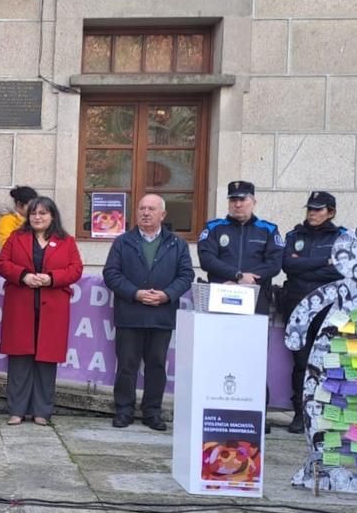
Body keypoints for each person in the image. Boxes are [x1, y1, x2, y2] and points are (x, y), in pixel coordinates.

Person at [102, 194, 194, 431]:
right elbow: (111, 273)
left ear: (162, 215)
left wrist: (167, 295)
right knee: (126, 365)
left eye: (151, 209)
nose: (145, 213)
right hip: (130, 313)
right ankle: (124, 410)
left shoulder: (177, 243)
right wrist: (135, 293)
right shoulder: (123, 242)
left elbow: (186, 275)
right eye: (142, 208)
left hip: (161, 314)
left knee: (156, 365)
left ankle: (152, 412)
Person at [0, 196, 83, 425]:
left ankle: (42, 412)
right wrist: (23, 275)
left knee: (46, 361)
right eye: (34, 213)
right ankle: (16, 410)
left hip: (52, 310)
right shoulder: (17, 238)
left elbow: (76, 270)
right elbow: (2, 263)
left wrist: (51, 278)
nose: (37, 217)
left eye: (43, 213)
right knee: (19, 360)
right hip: (20, 307)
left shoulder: (67, 241)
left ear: (52, 216)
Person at [280, 191, 344, 434]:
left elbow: (339, 271)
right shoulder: (294, 235)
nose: (312, 213)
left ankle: (326, 414)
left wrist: (306, 265)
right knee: (301, 362)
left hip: (328, 308)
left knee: (328, 361)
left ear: (331, 212)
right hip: (297, 305)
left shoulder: (342, 238)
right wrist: (323, 261)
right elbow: (289, 266)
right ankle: (300, 412)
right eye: (310, 209)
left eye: (318, 209)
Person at [197, 180, 284, 315]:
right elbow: (207, 259)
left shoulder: (269, 229)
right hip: (222, 293)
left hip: (256, 296)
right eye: (233, 200)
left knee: (253, 336)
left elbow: (274, 264)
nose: (237, 205)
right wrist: (237, 276)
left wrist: (246, 281)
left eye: (242, 200)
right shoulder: (213, 227)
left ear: (254, 202)